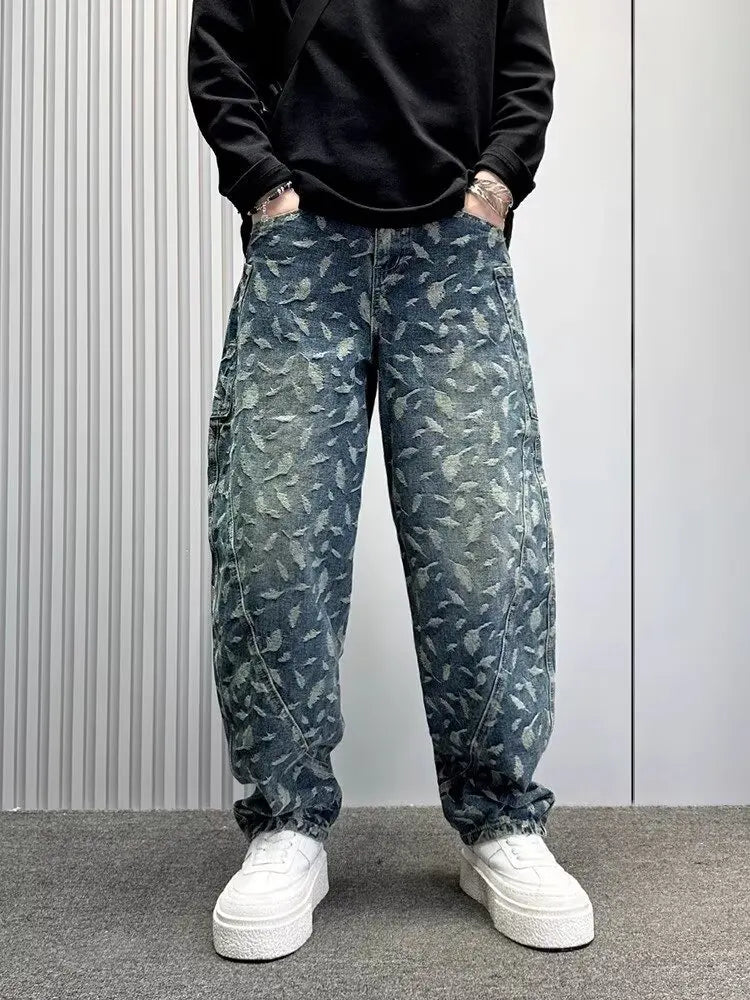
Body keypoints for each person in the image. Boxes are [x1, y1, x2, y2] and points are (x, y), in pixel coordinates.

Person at [188, 0, 594, 961]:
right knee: (272, 543)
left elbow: (525, 73)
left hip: (452, 251)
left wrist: (494, 187)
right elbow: (220, 56)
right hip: (304, 252)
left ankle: (501, 823)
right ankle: (286, 825)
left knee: (483, 548)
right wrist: (265, 190)